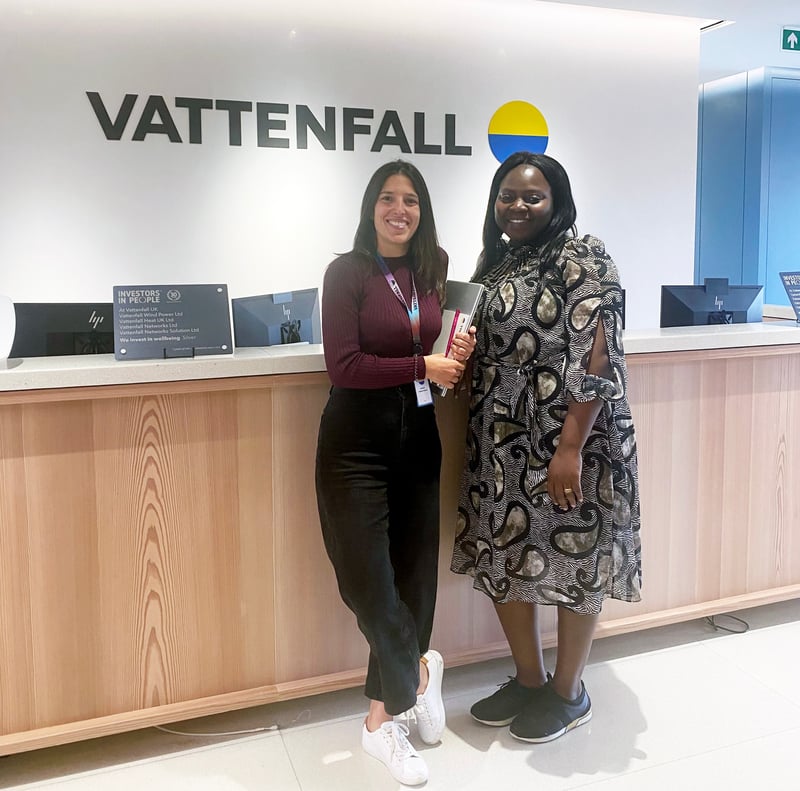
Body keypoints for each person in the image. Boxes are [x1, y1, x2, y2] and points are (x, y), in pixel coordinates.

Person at [451, 152, 641, 744]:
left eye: (532, 196)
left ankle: (569, 690)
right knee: (508, 558)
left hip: (570, 439)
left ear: (556, 200)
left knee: (577, 558)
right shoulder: (497, 264)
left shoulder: (582, 256)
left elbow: (601, 356)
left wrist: (569, 447)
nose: (518, 206)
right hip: (503, 441)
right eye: (507, 195)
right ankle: (529, 680)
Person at [315, 160, 476, 785]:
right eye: (388, 198)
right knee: (368, 584)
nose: (399, 209)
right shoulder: (347, 272)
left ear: (422, 208)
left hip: (419, 441)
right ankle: (420, 671)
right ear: (370, 207)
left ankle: (382, 723)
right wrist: (422, 367)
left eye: (410, 199)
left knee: (415, 579)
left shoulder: (433, 265)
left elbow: (443, 343)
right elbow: (344, 365)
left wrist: (452, 357)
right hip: (354, 444)